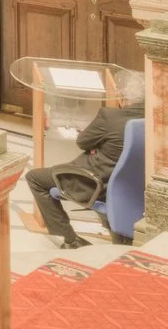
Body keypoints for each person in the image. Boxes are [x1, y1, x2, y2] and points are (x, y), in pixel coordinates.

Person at [27, 91, 136, 247]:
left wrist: (97, 146)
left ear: (123, 98)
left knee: (34, 177)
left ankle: (70, 239)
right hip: (129, 184)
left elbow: (83, 142)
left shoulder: (109, 116)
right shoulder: (152, 117)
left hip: (95, 183)